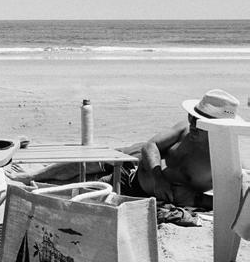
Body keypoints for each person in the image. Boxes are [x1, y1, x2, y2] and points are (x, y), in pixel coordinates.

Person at [14, 89, 242, 210]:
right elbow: (151, 145)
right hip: (134, 162)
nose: (192, 123)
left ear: (218, 127)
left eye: (199, 121)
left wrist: (194, 200)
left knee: (76, 188)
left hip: (137, 188)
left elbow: (229, 199)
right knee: (83, 163)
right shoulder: (185, 129)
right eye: (192, 116)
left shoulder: (222, 160)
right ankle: (30, 176)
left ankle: (30, 187)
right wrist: (158, 177)